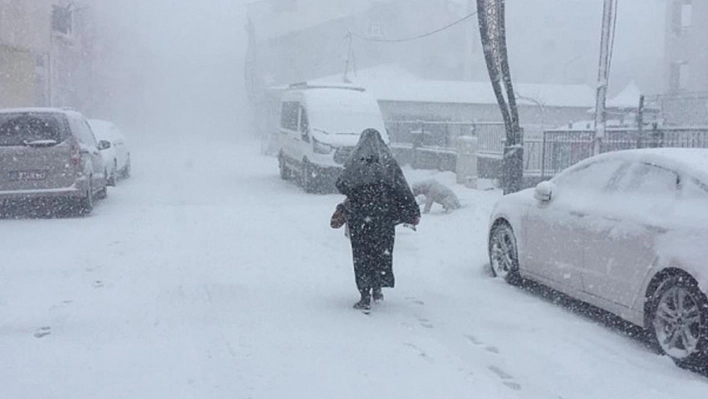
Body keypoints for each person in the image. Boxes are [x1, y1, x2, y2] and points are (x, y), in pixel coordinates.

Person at [334, 129, 420, 310]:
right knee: (381, 253)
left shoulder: (355, 162)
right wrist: (411, 210)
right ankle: (378, 287)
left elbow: (342, 184)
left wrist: (358, 192)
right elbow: (401, 187)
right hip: (383, 218)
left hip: (360, 218)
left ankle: (364, 294)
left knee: (362, 255)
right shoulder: (388, 163)